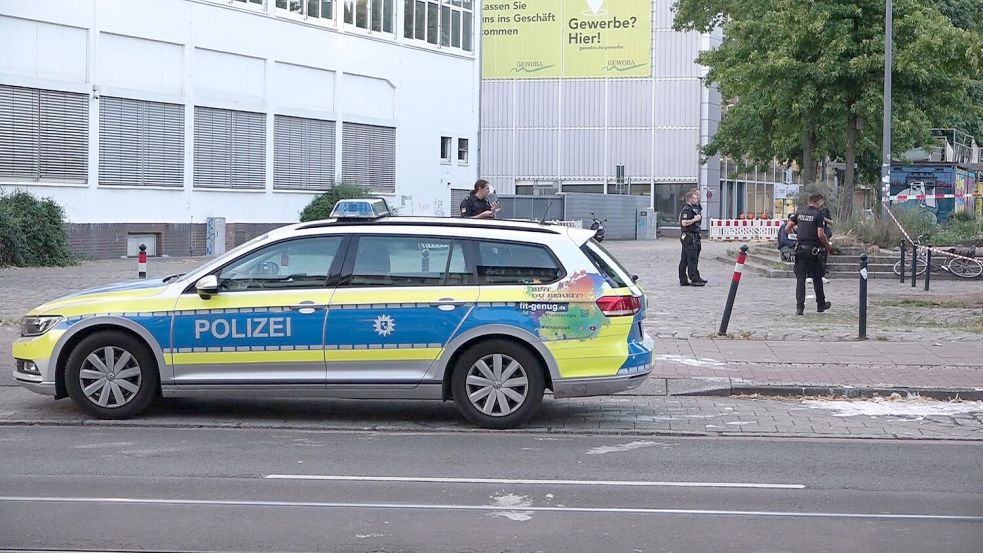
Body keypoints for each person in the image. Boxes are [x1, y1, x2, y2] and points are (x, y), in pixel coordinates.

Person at [786, 194, 832, 315]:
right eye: (821, 203)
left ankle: (799, 308)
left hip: (800, 250)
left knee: (800, 279)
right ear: (818, 203)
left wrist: (797, 234)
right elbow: (820, 235)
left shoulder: (800, 213)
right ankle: (821, 305)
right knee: (817, 278)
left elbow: (787, 228)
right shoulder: (818, 215)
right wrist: (828, 246)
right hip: (813, 251)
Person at [678, 189, 707, 287]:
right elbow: (683, 222)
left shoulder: (695, 208)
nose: (697, 199)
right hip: (689, 237)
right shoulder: (687, 209)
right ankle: (693, 278)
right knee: (691, 258)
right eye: (695, 197)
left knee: (686, 259)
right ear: (690, 199)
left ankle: (688, 278)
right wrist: (695, 219)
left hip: (694, 236)